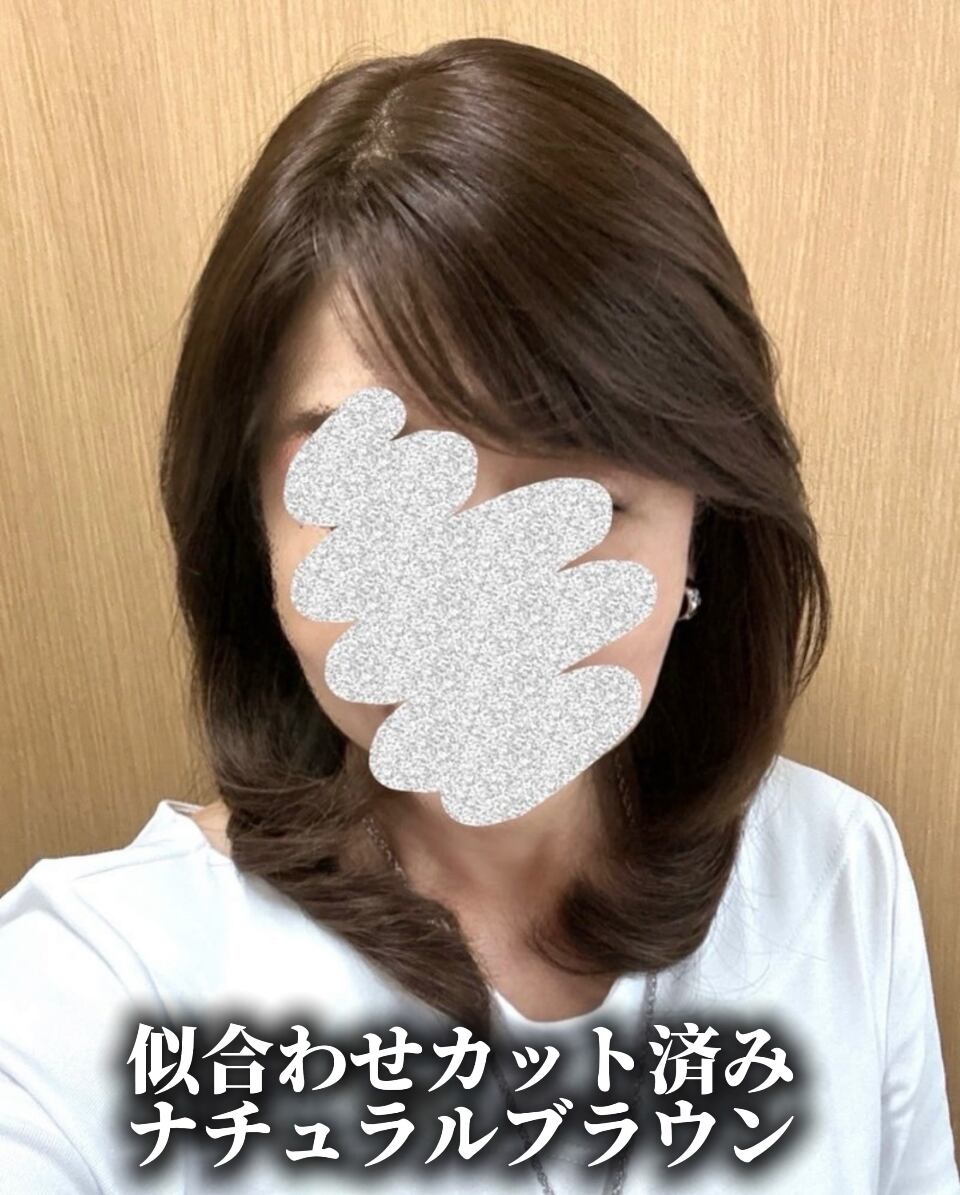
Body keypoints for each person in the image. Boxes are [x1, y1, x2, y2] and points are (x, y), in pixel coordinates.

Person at [0, 35, 956, 1194]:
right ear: (253, 521)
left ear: (702, 532)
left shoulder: (837, 872)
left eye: (582, 500)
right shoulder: (92, 989)